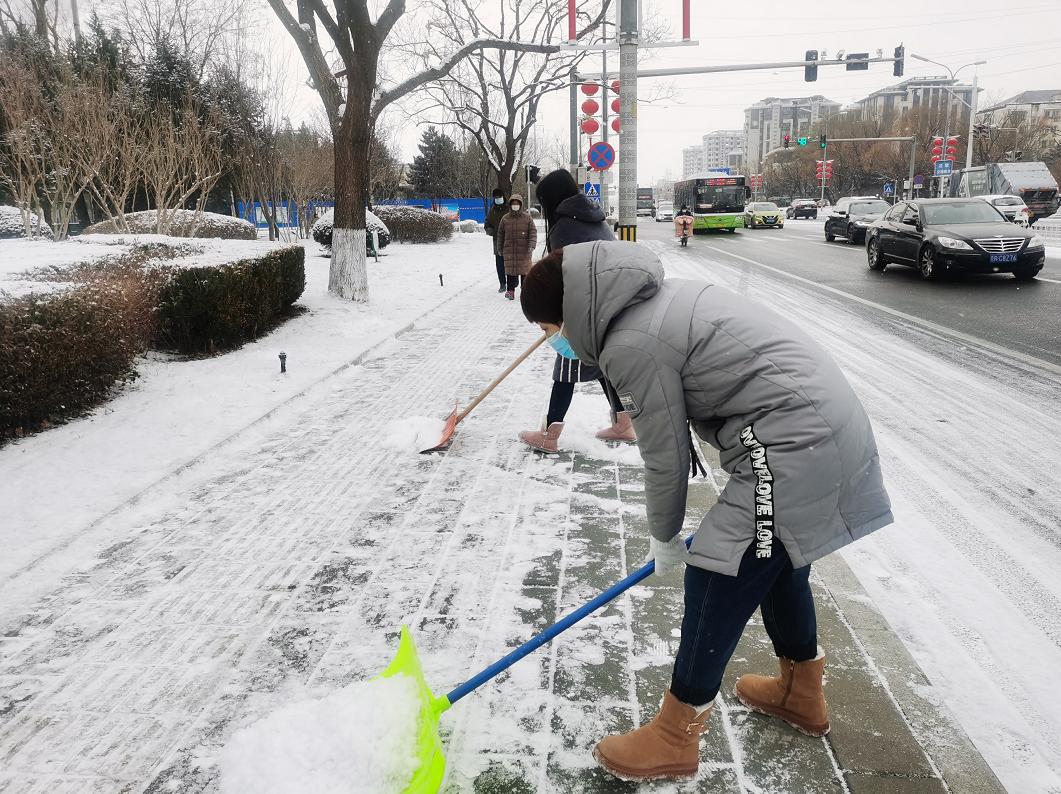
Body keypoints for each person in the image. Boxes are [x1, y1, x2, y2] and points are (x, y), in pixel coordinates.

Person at [519, 241, 893, 782]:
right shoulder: (650, 302)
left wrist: (664, 537)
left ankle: (675, 736)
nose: (555, 341)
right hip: (816, 431)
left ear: (570, 311)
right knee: (777, 561)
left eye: (549, 329)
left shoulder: (631, 342)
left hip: (793, 445)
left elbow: (664, 456)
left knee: (720, 567)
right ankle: (800, 692)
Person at [517, 169, 634, 453]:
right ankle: (623, 424)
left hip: (584, 314)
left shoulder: (566, 228)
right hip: (609, 308)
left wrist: (554, 320)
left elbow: (565, 281)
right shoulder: (592, 217)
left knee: (565, 370)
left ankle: (549, 436)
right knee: (603, 367)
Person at [496, 193, 536, 301]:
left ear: (521, 205)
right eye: (513, 203)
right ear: (510, 205)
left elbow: (533, 232)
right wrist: (499, 248)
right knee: (510, 271)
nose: (515, 205)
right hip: (509, 250)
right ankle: (510, 291)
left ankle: (525, 291)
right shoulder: (505, 219)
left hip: (524, 250)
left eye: (517, 203)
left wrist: (531, 245)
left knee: (525, 271)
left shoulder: (527, 218)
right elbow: (500, 234)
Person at [483, 188, 508, 292]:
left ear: (503, 197)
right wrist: (491, 231)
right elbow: (487, 224)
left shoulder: (509, 208)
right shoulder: (492, 210)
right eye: (496, 197)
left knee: (510, 262)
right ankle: (502, 283)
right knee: (500, 264)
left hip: (509, 240)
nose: (498, 199)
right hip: (497, 241)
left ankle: (513, 281)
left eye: (499, 197)